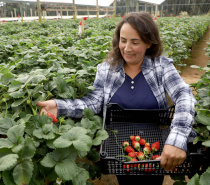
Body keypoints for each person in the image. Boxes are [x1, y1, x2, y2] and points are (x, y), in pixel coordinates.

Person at [37, 11, 197, 184]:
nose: (127, 48)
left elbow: (184, 96)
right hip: (119, 150)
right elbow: (93, 102)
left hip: (155, 149)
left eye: (135, 42)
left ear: (149, 43)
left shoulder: (162, 67)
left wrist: (177, 139)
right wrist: (59, 106)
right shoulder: (106, 70)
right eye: (123, 40)